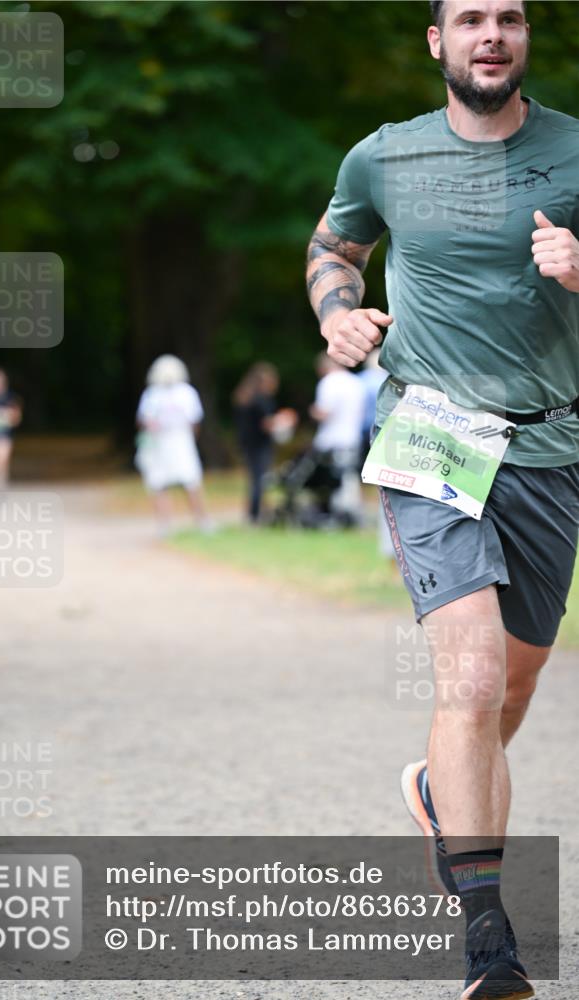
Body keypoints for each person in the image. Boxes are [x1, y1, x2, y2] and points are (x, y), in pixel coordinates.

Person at [305, 2, 578, 997]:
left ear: (524, 39)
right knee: (466, 683)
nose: (491, 34)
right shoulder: (382, 158)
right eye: (469, 19)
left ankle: (437, 788)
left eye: (508, 17)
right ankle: (488, 946)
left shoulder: (577, 152)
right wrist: (338, 316)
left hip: (551, 441)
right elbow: (332, 248)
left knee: (509, 689)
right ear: (438, 42)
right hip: (429, 432)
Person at [135, 354, 212, 536]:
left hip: (174, 441)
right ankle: (178, 523)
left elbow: (143, 419)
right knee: (166, 482)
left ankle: (194, 521)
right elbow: (195, 421)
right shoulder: (178, 392)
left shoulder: (158, 393)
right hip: (169, 442)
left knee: (185, 482)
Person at [233, 362, 297, 523]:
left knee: (255, 478)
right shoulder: (261, 400)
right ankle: (254, 515)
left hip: (248, 443)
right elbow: (267, 424)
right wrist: (285, 420)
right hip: (259, 444)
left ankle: (257, 511)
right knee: (260, 479)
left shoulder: (245, 397)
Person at [309, 352, 365, 523]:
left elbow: (325, 412)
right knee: (349, 476)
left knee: (331, 479)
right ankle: (352, 513)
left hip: (331, 440)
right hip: (352, 437)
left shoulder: (328, 383)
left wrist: (312, 412)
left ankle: (336, 513)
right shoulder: (356, 383)